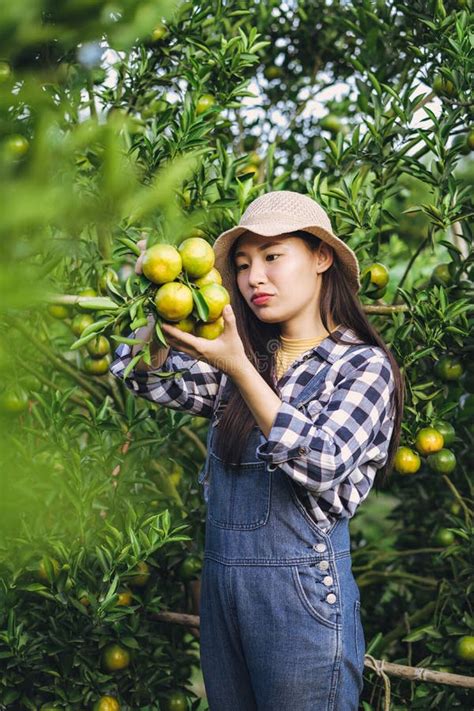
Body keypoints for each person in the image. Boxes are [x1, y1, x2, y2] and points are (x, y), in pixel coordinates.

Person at [110, 189, 404, 710]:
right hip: (224, 593)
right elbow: (142, 376)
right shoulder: (244, 357)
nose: (254, 278)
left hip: (302, 601)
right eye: (242, 265)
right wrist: (156, 303)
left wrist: (239, 369)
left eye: (272, 257)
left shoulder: (361, 366)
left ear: (320, 257)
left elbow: (324, 461)